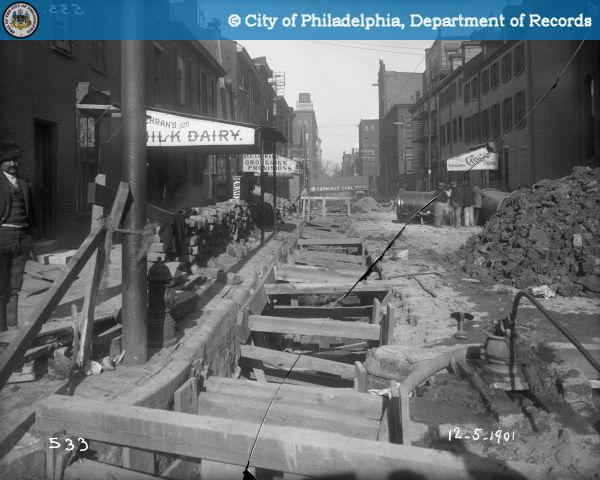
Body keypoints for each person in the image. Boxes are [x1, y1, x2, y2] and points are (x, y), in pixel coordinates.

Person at [0, 142, 36, 331]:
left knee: (15, 284)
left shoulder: (23, 183)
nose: (13, 164)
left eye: (15, 160)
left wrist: (31, 236)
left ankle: (12, 324)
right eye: (9, 160)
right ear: (1, 162)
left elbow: (33, 213)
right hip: (2, 237)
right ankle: (1, 327)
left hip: (22, 238)